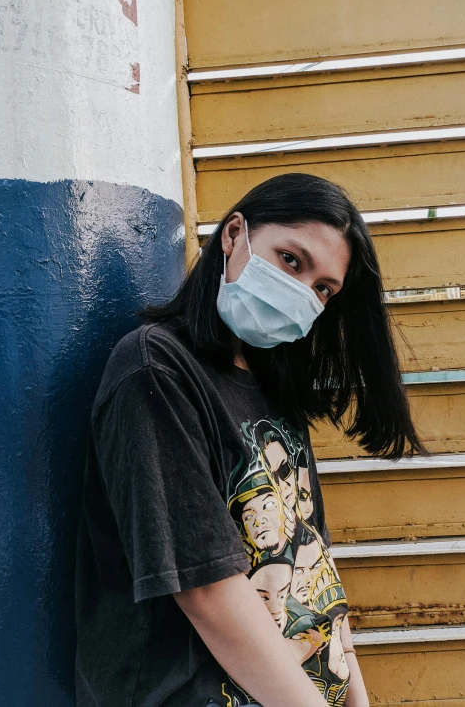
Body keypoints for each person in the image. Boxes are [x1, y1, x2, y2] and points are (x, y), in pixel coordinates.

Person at [74, 173, 429, 707]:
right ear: (234, 234)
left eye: (323, 288)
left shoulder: (273, 388)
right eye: (291, 260)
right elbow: (207, 590)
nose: (303, 292)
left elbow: (312, 562)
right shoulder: (156, 369)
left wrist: (354, 695)